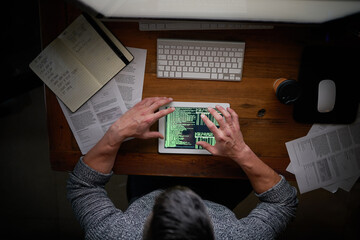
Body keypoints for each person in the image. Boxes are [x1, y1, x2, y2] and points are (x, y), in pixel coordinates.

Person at [67, 97, 298, 239]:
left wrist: (116, 133)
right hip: (221, 193)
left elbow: (83, 186)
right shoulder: (240, 237)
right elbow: (283, 201)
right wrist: (240, 152)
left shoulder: (113, 236)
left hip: (147, 187)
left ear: (145, 230)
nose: (180, 192)